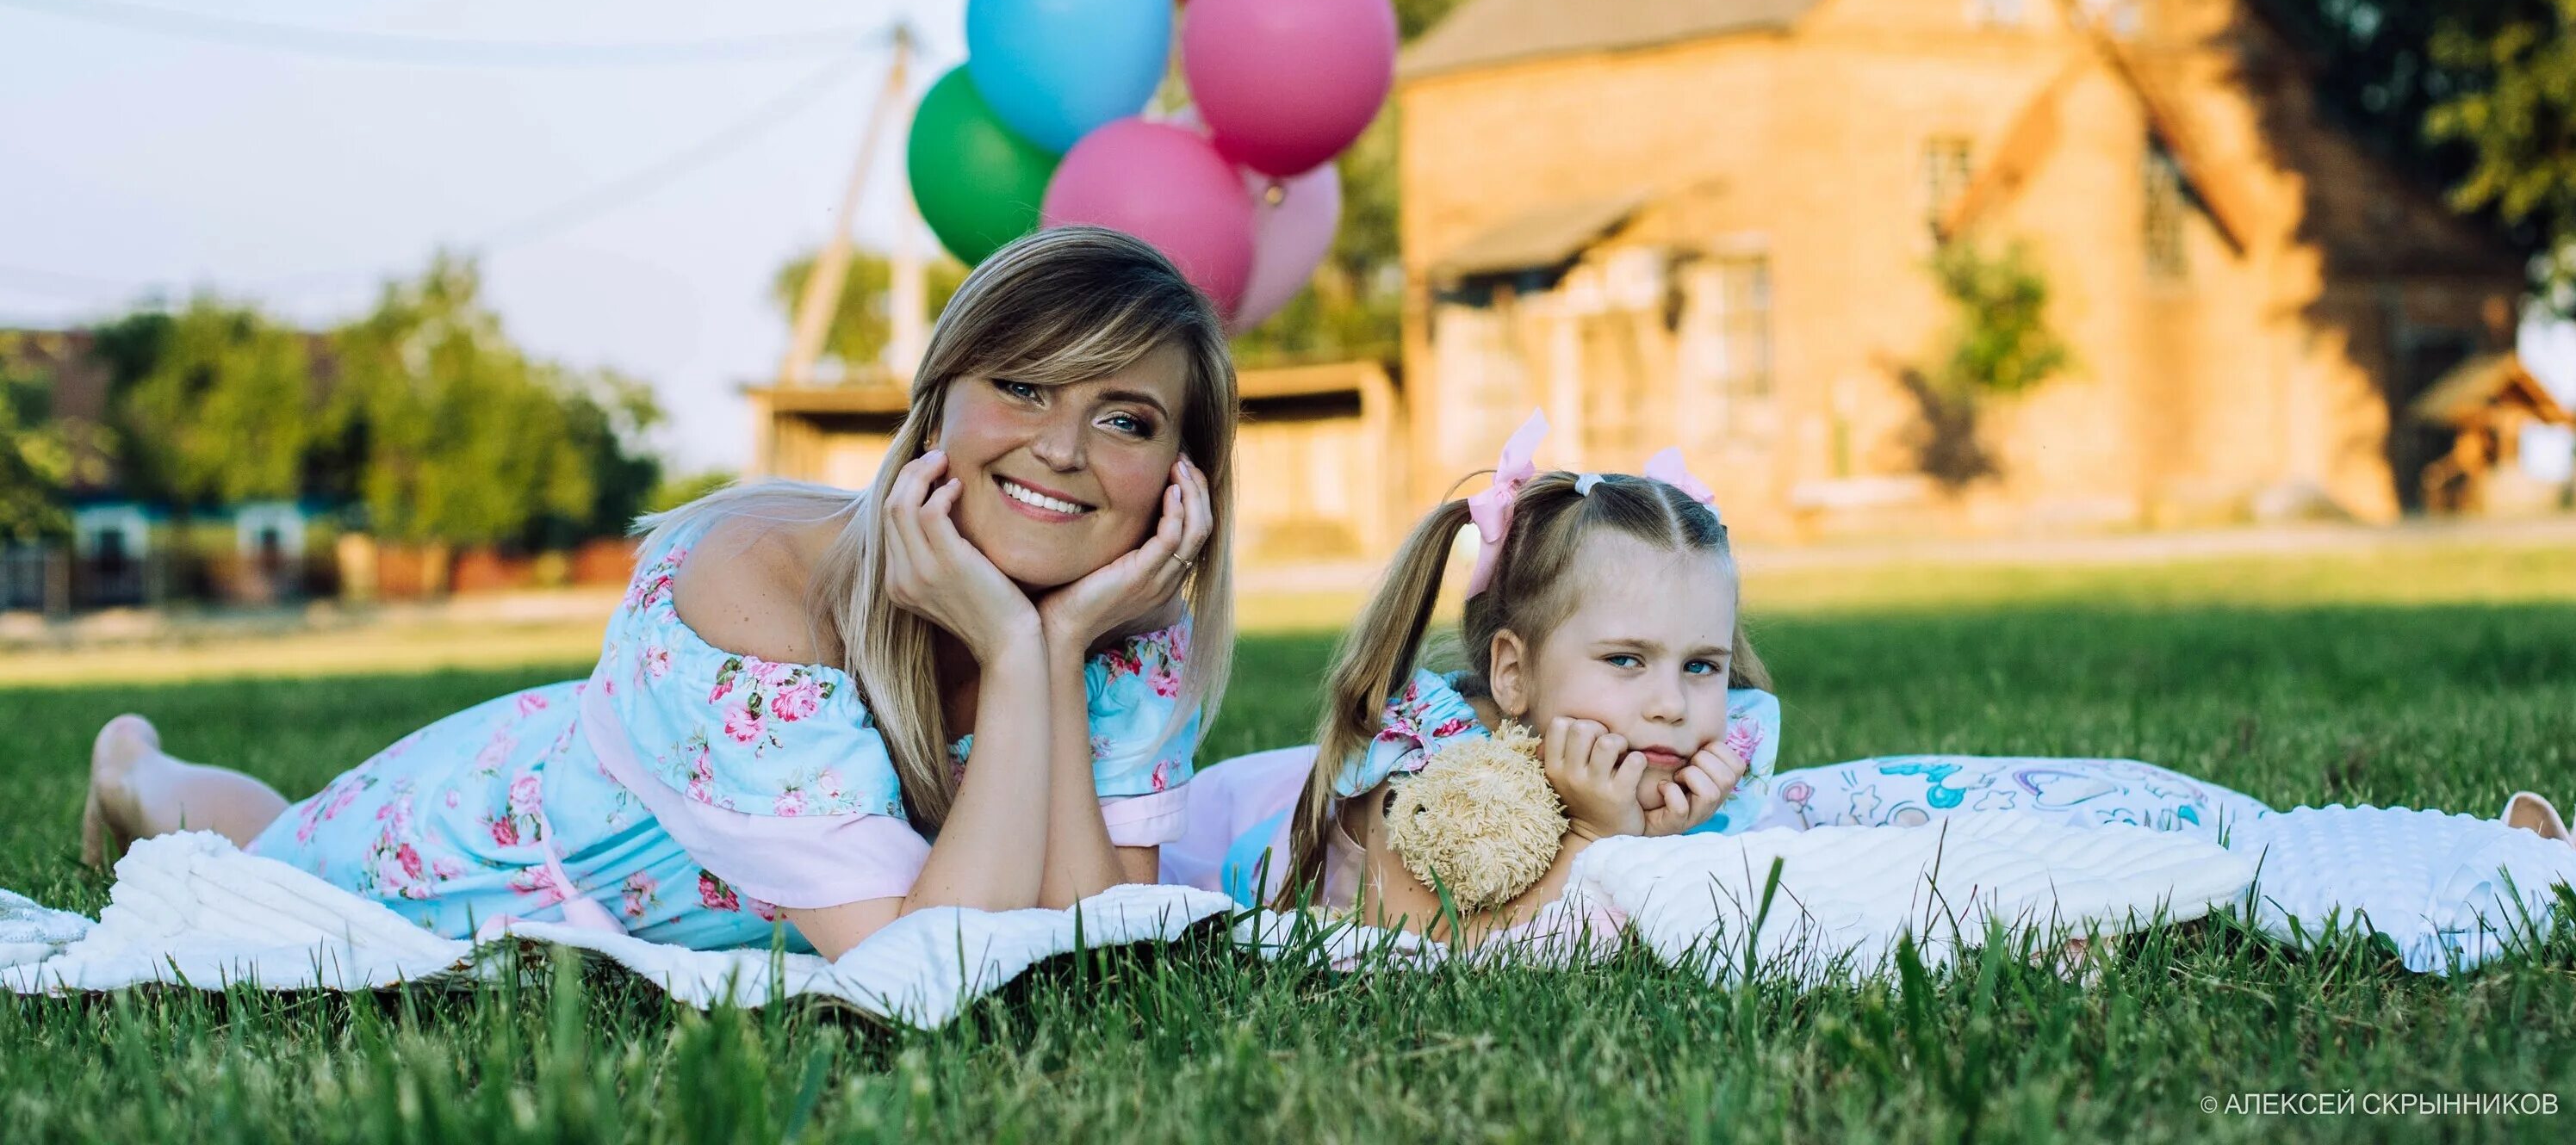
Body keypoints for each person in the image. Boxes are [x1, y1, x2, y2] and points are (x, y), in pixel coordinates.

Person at [82, 226, 1238, 959]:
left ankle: (150, 776)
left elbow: (1102, 939)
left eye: (1126, 419)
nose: (1065, 447)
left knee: (265, 835)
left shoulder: (1117, 619)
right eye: (1026, 389)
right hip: (467, 855)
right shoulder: (756, 588)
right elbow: (930, 970)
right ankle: (135, 770)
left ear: (1182, 474)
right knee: (266, 870)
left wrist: (1044, 646)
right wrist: (1007, 633)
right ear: (938, 406)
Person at [1164, 411, 1779, 940]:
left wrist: (1659, 837)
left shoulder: (1692, 767)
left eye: (1701, 666)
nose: (1671, 705)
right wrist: (1598, 840)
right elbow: (1435, 953)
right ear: (1512, 673)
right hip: (1217, 835)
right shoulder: (1430, 785)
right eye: (1625, 660)